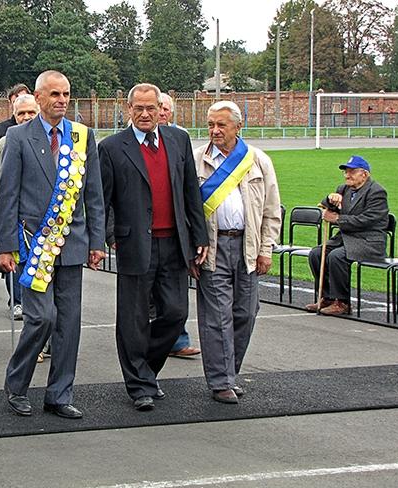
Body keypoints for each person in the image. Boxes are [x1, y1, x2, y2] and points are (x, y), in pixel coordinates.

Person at [0, 70, 105, 419]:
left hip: (72, 243)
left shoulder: (82, 136)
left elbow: (94, 194)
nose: (61, 100)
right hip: (34, 244)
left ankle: (59, 394)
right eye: (55, 94)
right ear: (39, 97)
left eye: (66, 94)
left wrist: (97, 241)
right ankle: (17, 385)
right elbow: (8, 194)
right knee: (41, 318)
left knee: (69, 324)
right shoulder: (18, 136)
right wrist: (4, 246)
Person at [100, 83, 208, 411]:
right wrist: (110, 236)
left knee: (176, 313)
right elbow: (103, 199)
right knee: (132, 320)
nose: (146, 114)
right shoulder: (112, 148)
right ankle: (139, 386)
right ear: (128, 109)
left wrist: (199, 236)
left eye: (151, 108)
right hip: (134, 244)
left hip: (174, 243)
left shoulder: (178, 140)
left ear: (161, 109)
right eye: (139, 108)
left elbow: (190, 192)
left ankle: (145, 370)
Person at [194, 101, 281, 404]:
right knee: (217, 316)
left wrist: (266, 249)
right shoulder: (197, 160)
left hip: (248, 246)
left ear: (238, 126)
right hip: (212, 247)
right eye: (211, 125)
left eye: (222, 125)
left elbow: (271, 209)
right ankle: (221, 382)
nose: (215, 131)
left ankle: (230, 373)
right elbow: (188, 210)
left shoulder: (258, 160)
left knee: (245, 313)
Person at [305, 156, 389, 316]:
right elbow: (326, 205)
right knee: (316, 253)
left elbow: (368, 220)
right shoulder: (344, 189)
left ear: (364, 174)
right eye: (346, 172)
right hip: (346, 239)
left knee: (336, 256)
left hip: (368, 241)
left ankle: (342, 302)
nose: (347, 175)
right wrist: (330, 199)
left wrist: (338, 219)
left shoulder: (377, 192)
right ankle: (327, 298)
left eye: (352, 172)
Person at [0, 94, 39, 322]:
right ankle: (18, 302)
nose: (26, 117)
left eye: (31, 112)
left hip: (42, 221)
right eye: (21, 113)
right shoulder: (5, 142)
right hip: (15, 220)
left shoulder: (52, 141)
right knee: (18, 262)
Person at [156, 92, 201, 359]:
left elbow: (189, 186)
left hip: (175, 232)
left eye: (165, 109)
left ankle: (177, 339)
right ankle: (154, 343)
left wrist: (196, 233)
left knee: (175, 298)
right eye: (158, 107)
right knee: (150, 299)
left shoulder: (179, 138)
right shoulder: (125, 140)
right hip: (144, 234)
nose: (161, 112)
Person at [0, 83, 31, 161]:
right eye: (16, 101)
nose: (21, 104)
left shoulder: (43, 129)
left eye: (24, 99)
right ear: (11, 104)